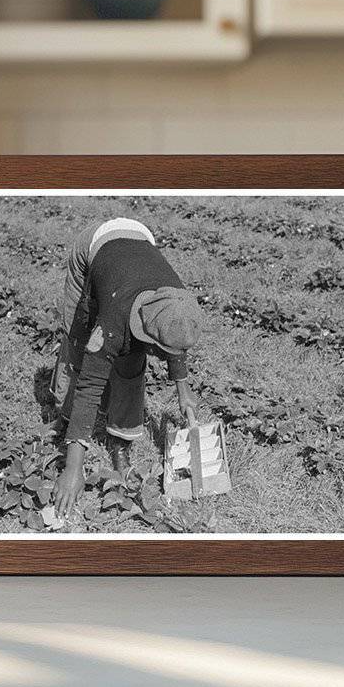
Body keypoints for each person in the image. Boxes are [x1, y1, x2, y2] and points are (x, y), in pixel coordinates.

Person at [51, 217, 204, 517]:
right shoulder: (114, 322)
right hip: (94, 246)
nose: (162, 354)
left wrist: (183, 388)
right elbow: (90, 387)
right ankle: (66, 421)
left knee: (132, 361)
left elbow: (172, 337)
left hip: (139, 239)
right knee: (79, 344)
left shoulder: (177, 301)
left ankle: (119, 441)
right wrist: (72, 470)